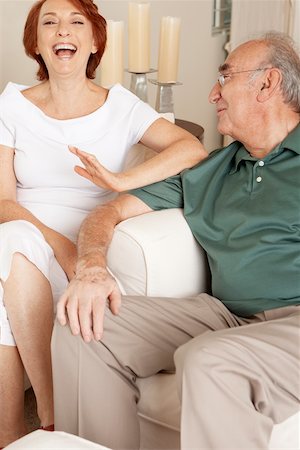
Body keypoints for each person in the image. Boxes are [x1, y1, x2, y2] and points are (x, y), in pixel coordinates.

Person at [52, 32, 300, 449]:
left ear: (267, 83)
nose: (212, 93)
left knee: (209, 360)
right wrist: (92, 267)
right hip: (225, 315)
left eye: (225, 77)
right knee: (84, 323)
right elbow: (106, 212)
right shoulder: (213, 169)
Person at [0, 0, 207, 447]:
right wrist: (60, 246)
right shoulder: (12, 103)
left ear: (94, 41)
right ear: (36, 42)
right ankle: (40, 421)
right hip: (32, 238)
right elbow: (2, 202)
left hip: (94, 242)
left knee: (6, 258)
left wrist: (121, 180)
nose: (62, 31)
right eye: (49, 23)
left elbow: (191, 149)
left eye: (76, 22)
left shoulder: (120, 106)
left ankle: (23, 430)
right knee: (11, 239)